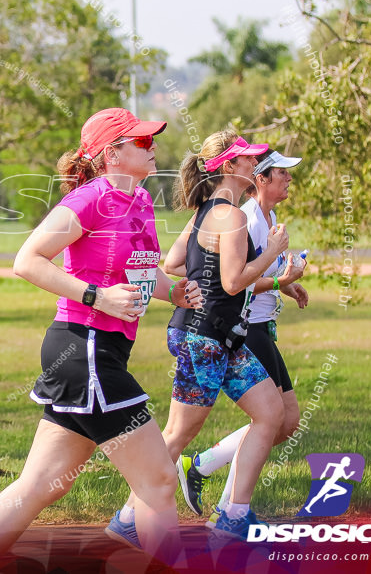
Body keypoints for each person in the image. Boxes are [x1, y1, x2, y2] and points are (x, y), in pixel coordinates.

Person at [0, 108, 203, 571]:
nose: (153, 150)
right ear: (113, 154)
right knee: (158, 481)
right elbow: (28, 260)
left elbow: (144, 272)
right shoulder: (90, 199)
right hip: (84, 347)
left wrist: (178, 294)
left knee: (43, 484)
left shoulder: (141, 202)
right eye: (143, 143)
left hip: (98, 352)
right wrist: (98, 297)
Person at [117, 129, 289, 539]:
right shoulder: (229, 215)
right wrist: (272, 252)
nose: (255, 164)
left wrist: (199, 278)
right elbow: (233, 282)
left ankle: (235, 514)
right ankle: (126, 518)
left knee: (271, 413)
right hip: (203, 340)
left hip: (222, 338)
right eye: (248, 159)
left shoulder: (206, 212)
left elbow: (174, 261)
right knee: (177, 435)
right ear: (231, 167)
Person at [176, 150, 310, 523]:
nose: (287, 180)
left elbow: (252, 274)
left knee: (283, 420)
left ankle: (209, 478)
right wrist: (280, 277)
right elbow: (236, 280)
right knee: (273, 419)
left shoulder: (266, 216)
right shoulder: (244, 217)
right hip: (242, 327)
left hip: (256, 325)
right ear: (260, 179)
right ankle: (223, 500)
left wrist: (286, 286)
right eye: (281, 174)